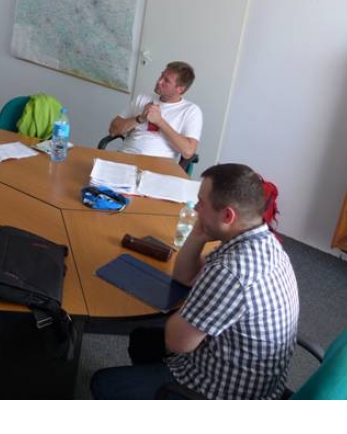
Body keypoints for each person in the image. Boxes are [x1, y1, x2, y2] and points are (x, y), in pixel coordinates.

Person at [90, 163, 300, 400]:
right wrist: (198, 235)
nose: (196, 207)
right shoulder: (260, 241)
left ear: (227, 215)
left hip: (223, 393)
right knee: (143, 339)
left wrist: (190, 309)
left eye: (201, 202)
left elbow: (177, 342)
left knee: (103, 383)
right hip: (253, 377)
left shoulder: (231, 272)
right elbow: (185, 277)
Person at [108, 61, 202, 161]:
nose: (159, 81)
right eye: (161, 76)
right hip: (125, 156)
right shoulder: (142, 98)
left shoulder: (191, 110)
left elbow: (188, 152)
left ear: (180, 89)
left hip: (158, 165)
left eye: (166, 81)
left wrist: (160, 122)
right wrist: (140, 119)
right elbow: (113, 130)